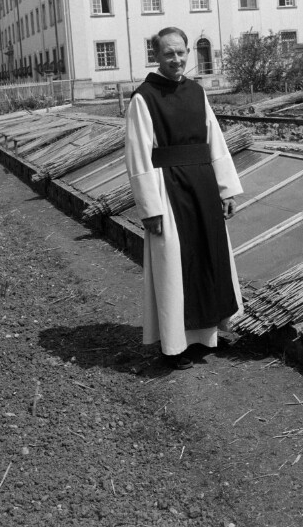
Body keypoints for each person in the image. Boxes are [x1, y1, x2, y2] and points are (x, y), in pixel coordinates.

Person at [125, 27, 243, 369]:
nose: (176, 60)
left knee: (208, 259)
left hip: (203, 187)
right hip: (168, 189)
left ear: (188, 52)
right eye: (168, 54)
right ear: (156, 56)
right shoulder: (143, 99)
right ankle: (174, 345)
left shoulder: (196, 92)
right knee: (175, 265)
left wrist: (226, 189)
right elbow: (138, 157)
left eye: (181, 52)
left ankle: (207, 337)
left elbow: (214, 140)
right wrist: (150, 209)